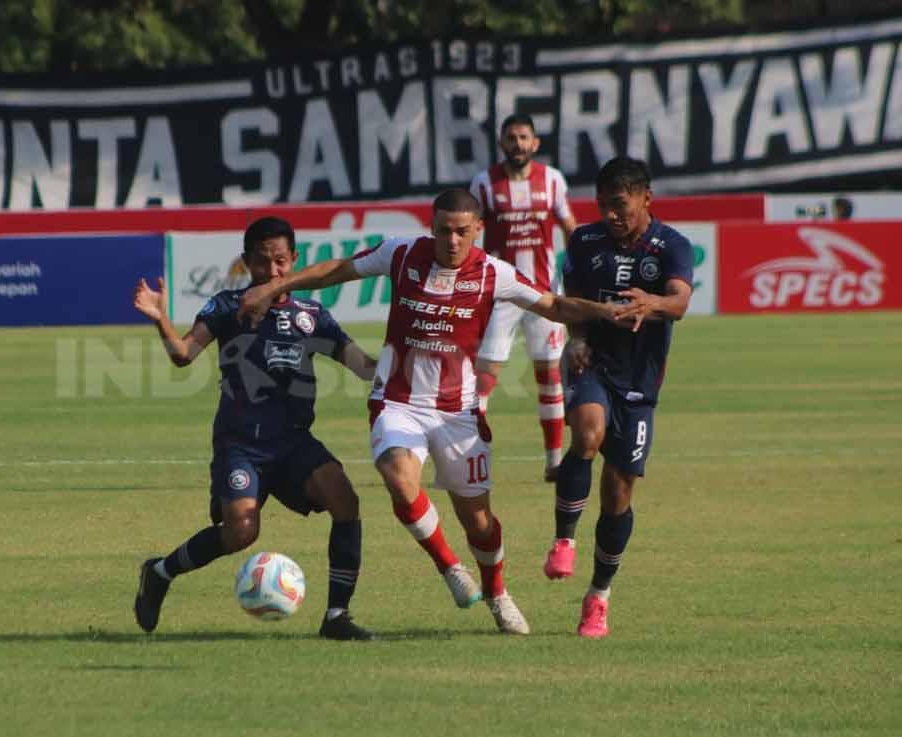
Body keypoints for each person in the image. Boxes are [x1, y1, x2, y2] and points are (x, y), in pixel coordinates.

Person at [238, 189, 634, 636]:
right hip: (398, 402)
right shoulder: (401, 253)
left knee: (479, 521)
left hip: (457, 413)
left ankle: (498, 593)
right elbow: (337, 269)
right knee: (398, 477)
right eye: (443, 230)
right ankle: (449, 567)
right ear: (432, 226)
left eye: (462, 232)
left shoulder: (494, 273)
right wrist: (276, 286)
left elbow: (554, 305)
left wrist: (602, 311)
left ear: (478, 230)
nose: (451, 240)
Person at [131, 216, 379, 641]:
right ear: (246, 262)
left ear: (295, 260)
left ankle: (337, 616)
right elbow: (183, 354)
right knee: (242, 532)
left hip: (294, 443)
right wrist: (160, 319)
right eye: (263, 262)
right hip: (241, 443)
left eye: (281, 261)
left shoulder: (312, 316)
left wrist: (406, 353)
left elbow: (361, 367)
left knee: (345, 499)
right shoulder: (228, 307)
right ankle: (159, 572)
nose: (274, 271)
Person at [546, 156, 694, 639]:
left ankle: (598, 598)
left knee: (619, 493)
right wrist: (578, 336)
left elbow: (680, 301)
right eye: (604, 204)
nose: (610, 214)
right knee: (587, 435)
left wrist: (653, 303)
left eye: (620, 205)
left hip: (641, 382)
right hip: (594, 363)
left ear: (645, 199)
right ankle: (563, 540)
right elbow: (570, 296)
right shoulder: (585, 243)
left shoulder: (672, 245)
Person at [470, 113, 579, 482]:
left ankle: (553, 463)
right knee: (483, 381)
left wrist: (579, 275)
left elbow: (569, 227)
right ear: (502, 143)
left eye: (524, 137)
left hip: (545, 295)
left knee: (549, 377)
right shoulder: (484, 184)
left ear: (535, 143)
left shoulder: (552, 181)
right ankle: (468, 461)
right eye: (511, 138)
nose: (518, 144)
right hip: (500, 295)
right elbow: (469, 232)